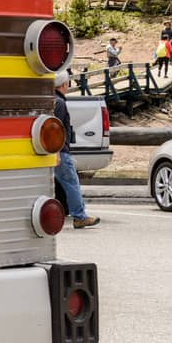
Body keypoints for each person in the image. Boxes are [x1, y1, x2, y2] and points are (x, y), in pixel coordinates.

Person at [53, 71, 99, 229]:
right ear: (64, 84)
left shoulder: (52, 100)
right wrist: (57, 151)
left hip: (54, 150)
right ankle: (79, 216)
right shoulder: (59, 103)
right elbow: (56, 129)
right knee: (71, 183)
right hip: (61, 151)